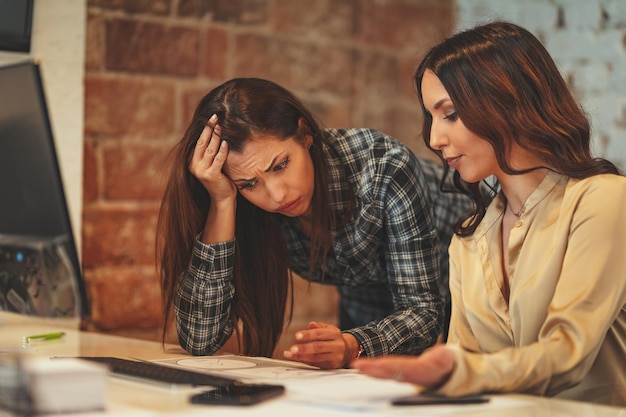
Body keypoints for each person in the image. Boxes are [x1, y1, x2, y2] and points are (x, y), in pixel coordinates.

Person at [351, 21, 626, 406]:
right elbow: (464, 359)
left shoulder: (604, 200)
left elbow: (568, 355)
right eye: (431, 117)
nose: (433, 139)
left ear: (507, 101)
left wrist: (457, 372)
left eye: (449, 114)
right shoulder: (469, 236)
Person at [156, 77, 472, 369]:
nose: (277, 195)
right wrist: (222, 202)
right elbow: (200, 339)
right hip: (367, 292)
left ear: (305, 133)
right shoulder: (243, 204)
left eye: (281, 165)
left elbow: (424, 312)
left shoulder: (382, 168)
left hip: (467, 271)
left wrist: (355, 344)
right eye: (249, 184)